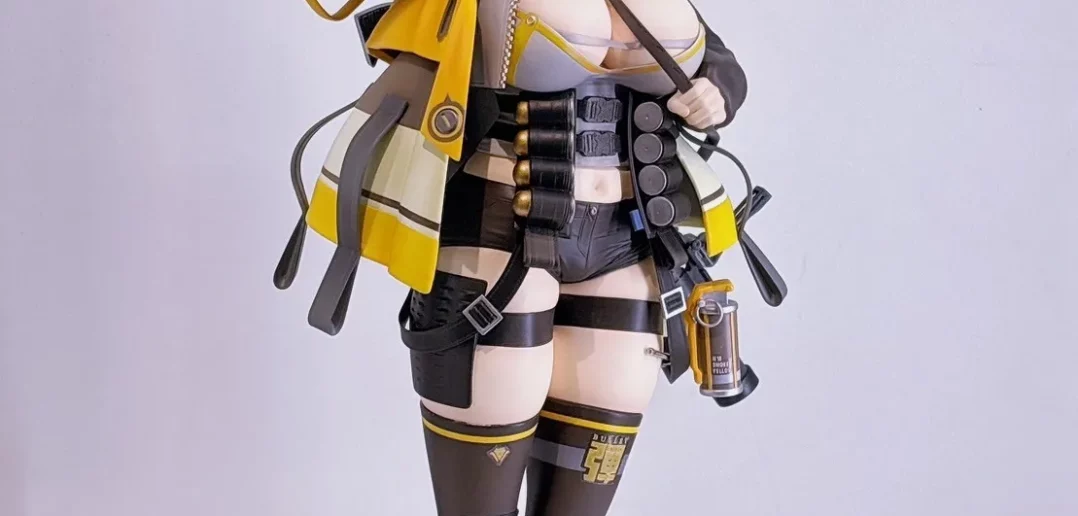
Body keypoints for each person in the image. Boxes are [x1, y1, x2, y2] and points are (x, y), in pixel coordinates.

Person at [275, 1, 774, 514]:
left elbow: (714, 57)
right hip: (496, 233)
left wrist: (718, 89)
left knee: (586, 479)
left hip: (627, 239)